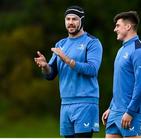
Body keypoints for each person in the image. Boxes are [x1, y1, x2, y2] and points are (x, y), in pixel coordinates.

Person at [34, 5, 103, 138]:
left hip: (85, 102)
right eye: (68, 19)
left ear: (82, 21)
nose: (70, 22)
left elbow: (92, 69)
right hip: (65, 103)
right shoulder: (61, 44)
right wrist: (45, 66)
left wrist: (66, 59)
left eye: (75, 19)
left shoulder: (92, 42)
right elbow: (51, 74)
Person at [102, 11, 141, 138]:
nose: (115, 29)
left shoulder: (139, 51)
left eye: (118, 25)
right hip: (115, 112)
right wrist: (111, 107)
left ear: (128, 27)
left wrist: (130, 111)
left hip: (131, 113)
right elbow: (121, 83)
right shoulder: (122, 50)